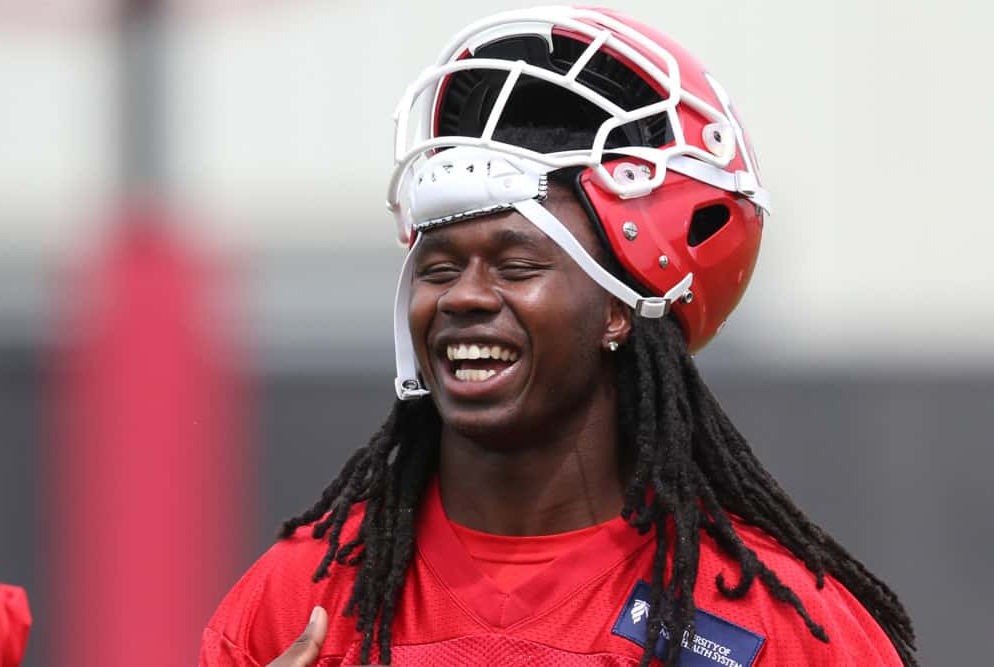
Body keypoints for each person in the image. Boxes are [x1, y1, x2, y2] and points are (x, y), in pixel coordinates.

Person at [200, 7, 917, 666]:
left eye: (516, 265)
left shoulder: (773, 624)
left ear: (617, 310)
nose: (465, 296)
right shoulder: (303, 599)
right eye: (439, 266)